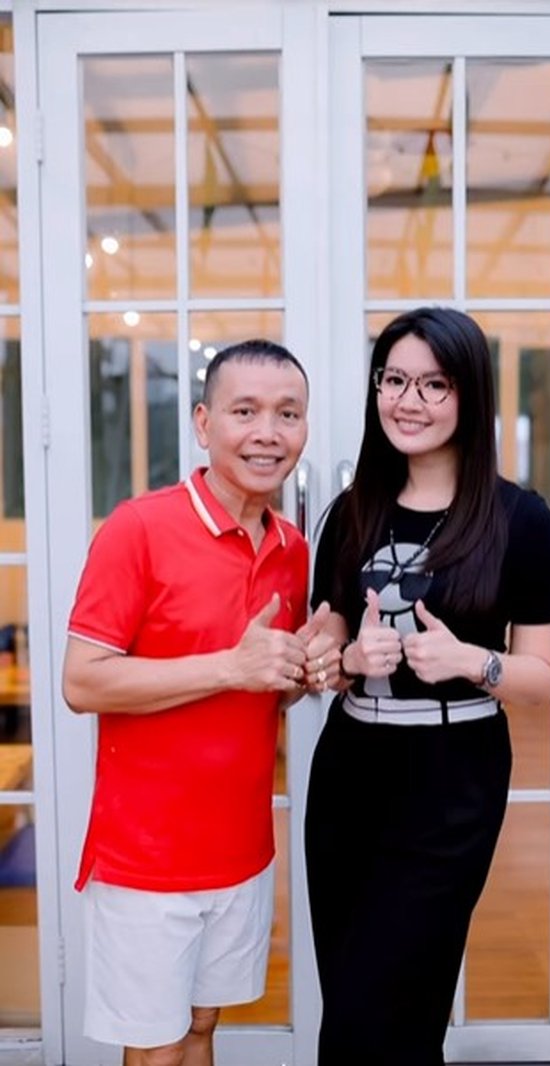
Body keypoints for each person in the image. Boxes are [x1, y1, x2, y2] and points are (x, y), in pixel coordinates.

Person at [304, 307, 550, 1066]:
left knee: (376, 1012)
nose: (407, 400)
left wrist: (471, 661)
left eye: (433, 383)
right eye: (393, 379)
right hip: (351, 772)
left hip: (453, 785)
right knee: (369, 1002)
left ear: (469, 396)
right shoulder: (349, 515)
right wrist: (348, 659)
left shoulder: (520, 522)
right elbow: (322, 650)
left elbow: (541, 678)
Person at [62, 339, 337, 1066]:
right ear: (202, 422)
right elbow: (82, 681)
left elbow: (262, 690)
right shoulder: (138, 528)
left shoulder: (291, 548)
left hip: (241, 849)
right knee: (154, 1048)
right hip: (147, 858)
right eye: (244, 411)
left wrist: (301, 674)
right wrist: (230, 666)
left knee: (203, 1027)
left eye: (288, 413)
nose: (267, 432)